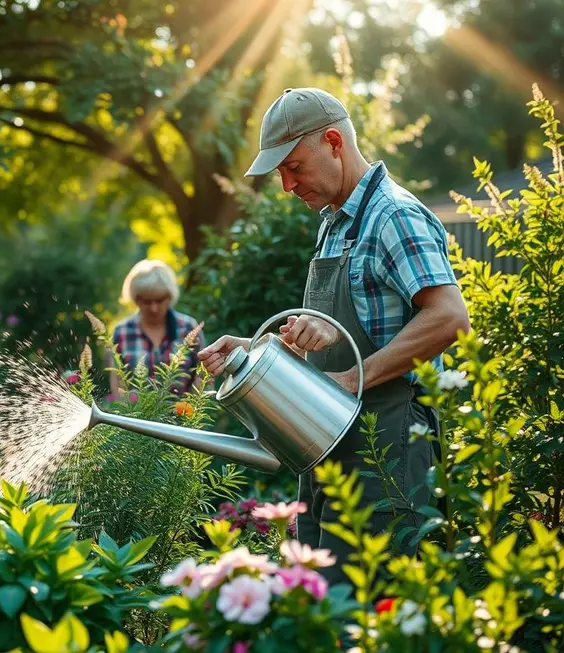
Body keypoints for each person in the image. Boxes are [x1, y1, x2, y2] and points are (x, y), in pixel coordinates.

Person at [198, 88, 470, 585]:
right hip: (326, 443)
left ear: (333, 142)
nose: (286, 185)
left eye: (293, 167)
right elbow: (331, 337)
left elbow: (450, 318)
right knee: (319, 606)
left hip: (384, 448)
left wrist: (350, 381)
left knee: (367, 609)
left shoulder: (393, 215)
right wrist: (255, 350)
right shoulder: (334, 224)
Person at [109, 259, 206, 399]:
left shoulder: (188, 328)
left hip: (182, 411)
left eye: (160, 300)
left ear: (170, 296)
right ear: (136, 298)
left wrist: (192, 407)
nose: (154, 308)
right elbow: (117, 384)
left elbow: (202, 376)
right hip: (135, 412)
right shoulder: (122, 332)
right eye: (147, 301)